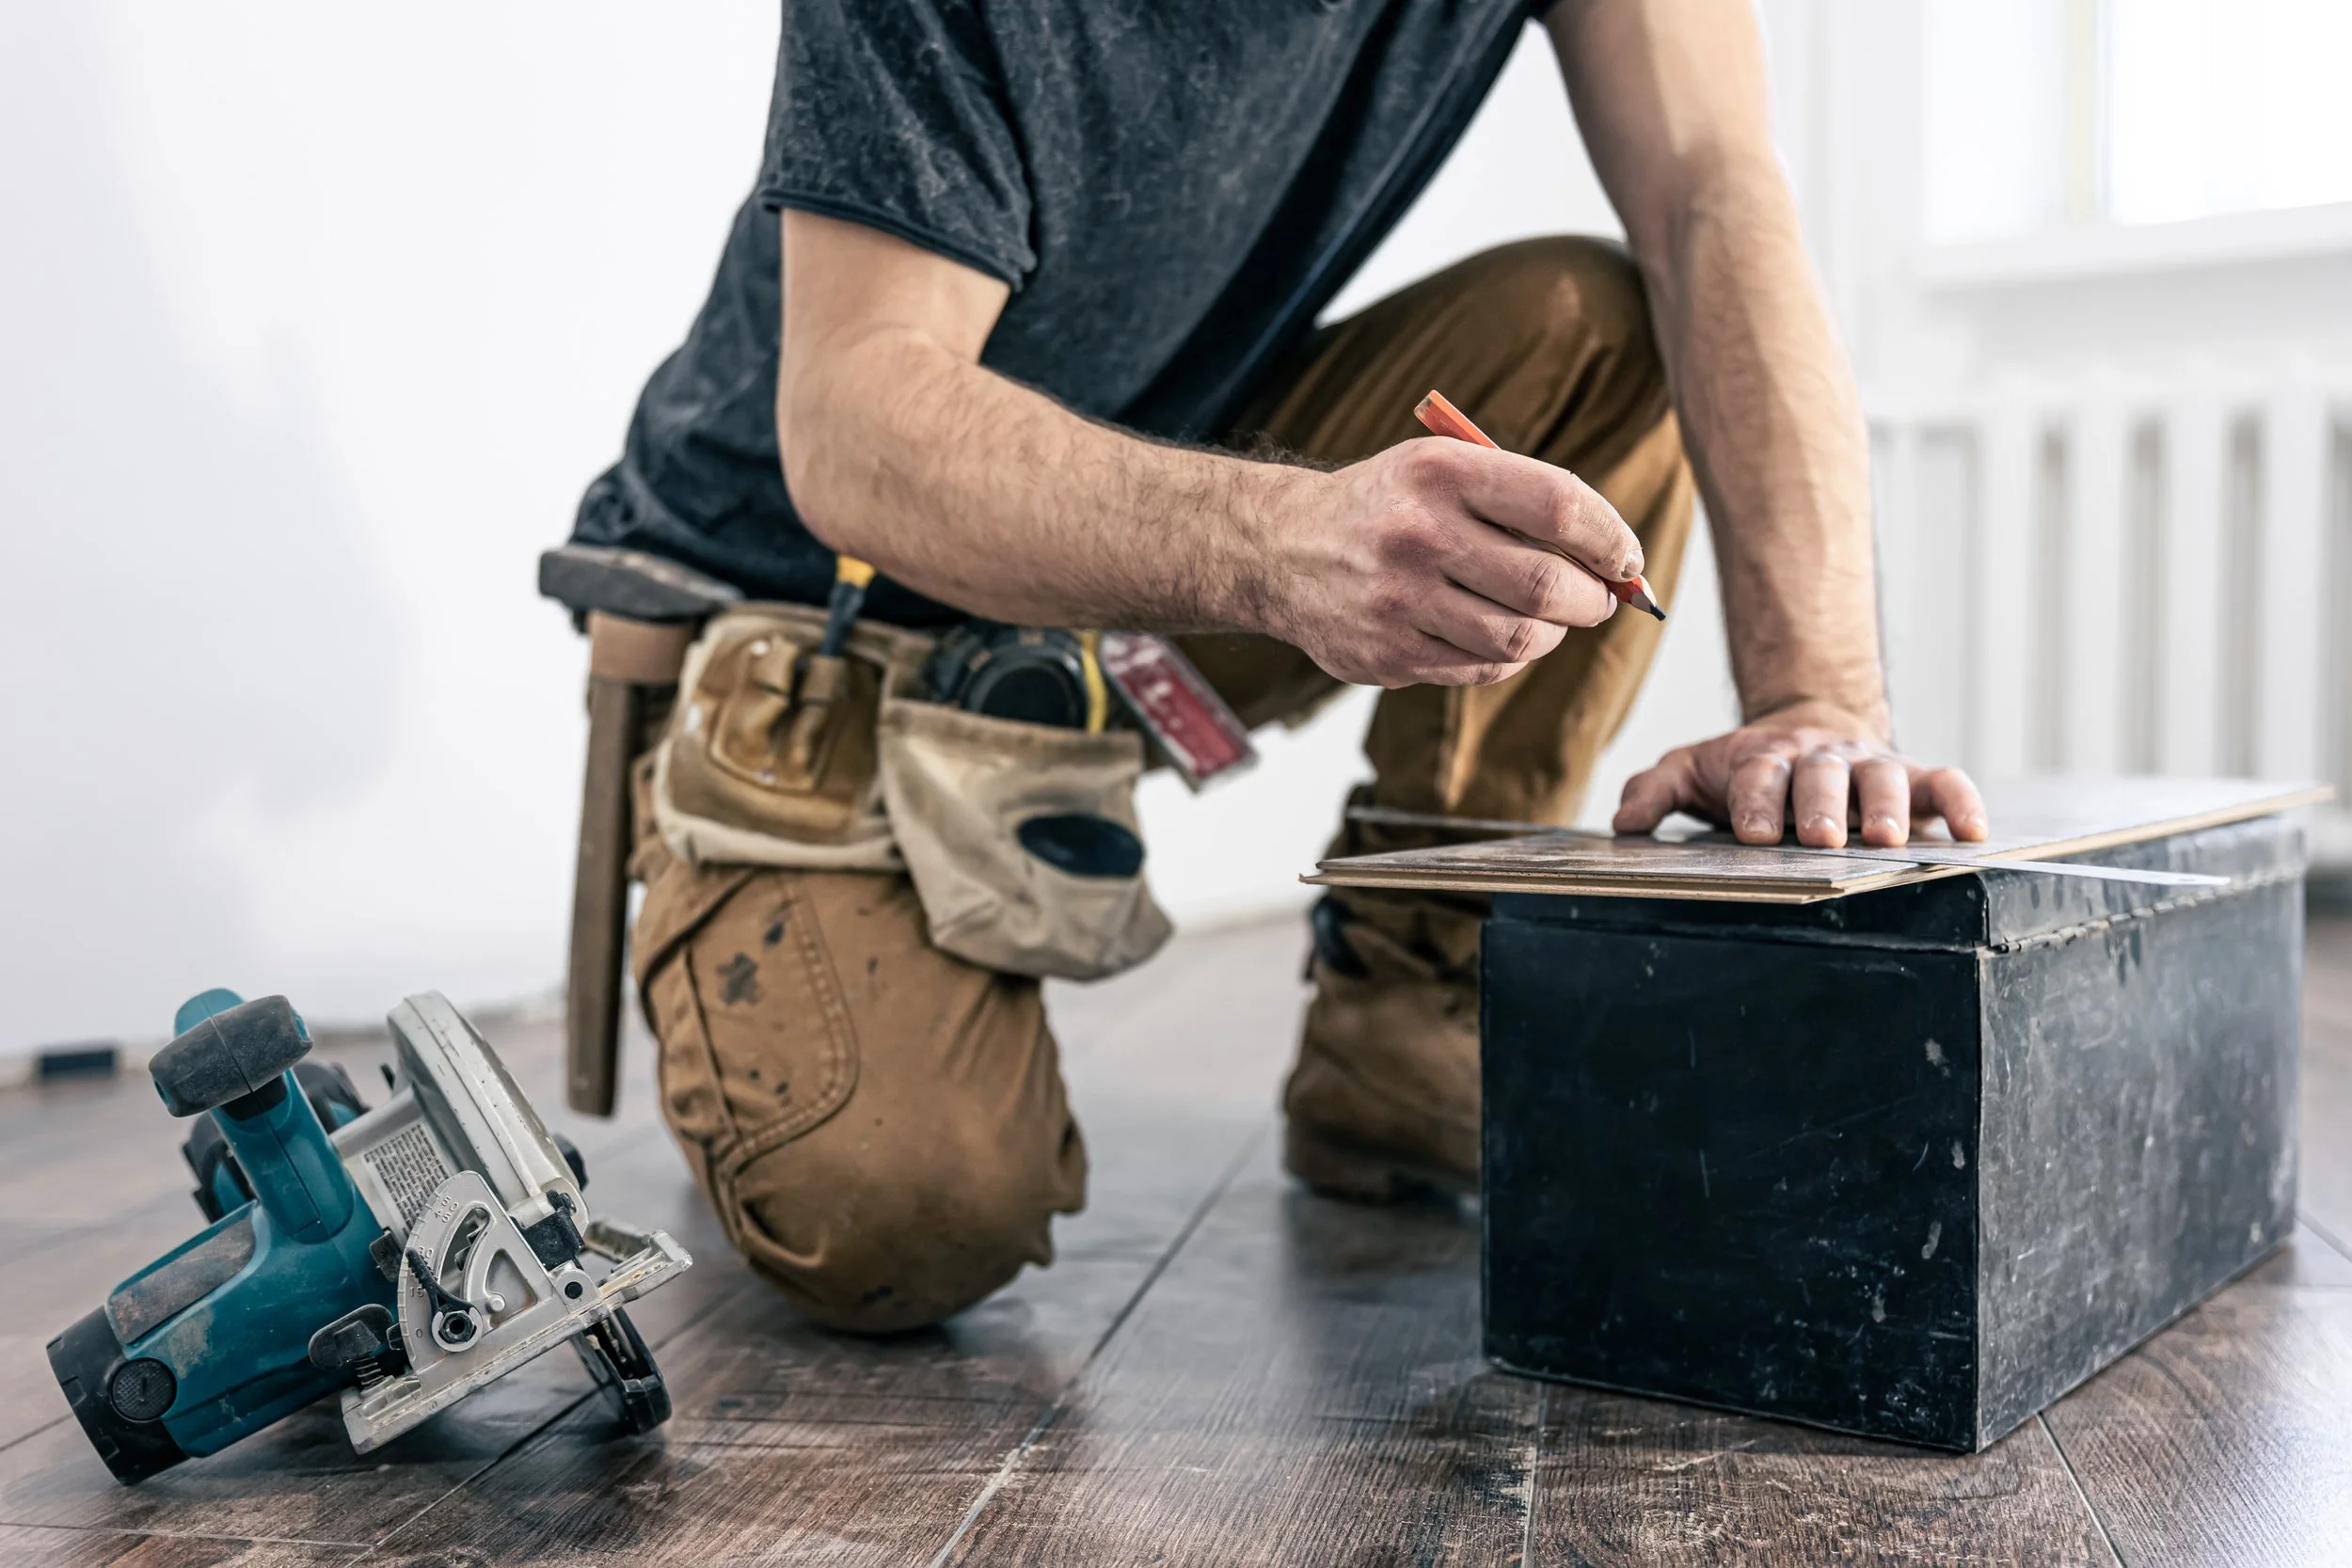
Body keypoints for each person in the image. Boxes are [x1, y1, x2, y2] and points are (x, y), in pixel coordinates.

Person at [570, 0, 1988, 1333]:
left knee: (1596, 330)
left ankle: (1408, 1007)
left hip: (1124, 556)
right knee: (911, 1214)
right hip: (816, 612)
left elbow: (1711, 193)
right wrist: (1278, 542)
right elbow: (856, 420)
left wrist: (1815, 694)